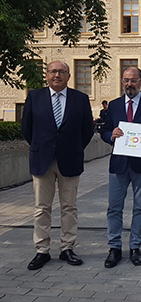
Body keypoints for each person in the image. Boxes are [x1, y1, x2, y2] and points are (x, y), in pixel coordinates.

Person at [21, 61, 93, 270]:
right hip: (42, 160)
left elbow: (87, 129)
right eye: (53, 71)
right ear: (47, 75)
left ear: (68, 76)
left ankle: (67, 248)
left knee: (69, 207)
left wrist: (73, 148)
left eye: (62, 72)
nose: (57, 75)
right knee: (41, 208)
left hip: (69, 160)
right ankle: (42, 250)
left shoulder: (80, 99)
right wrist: (42, 147)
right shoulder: (35, 97)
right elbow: (27, 129)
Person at [100, 67, 141, 268]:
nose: (129, 84)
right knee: (114, 208)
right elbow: (104, 130)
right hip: (119, 164)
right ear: (121, 81)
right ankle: (115, 247)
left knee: (140, 207)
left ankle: (135, 247)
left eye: (133, 80)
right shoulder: (114, 105)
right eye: (126, 80)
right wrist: (111, 135)